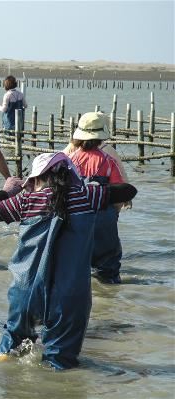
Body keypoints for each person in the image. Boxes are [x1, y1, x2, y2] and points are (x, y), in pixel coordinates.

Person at [0, 152, 137, 369]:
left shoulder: (26, 200)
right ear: (70, 175)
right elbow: (129, 190)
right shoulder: (87, 196)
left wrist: (6, 191)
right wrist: (95, 186)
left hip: (26, 291)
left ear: (35, 178)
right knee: (60, 364)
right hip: (69, 295)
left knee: (12, 347)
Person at [63, 112, 128, 284]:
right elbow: (119, 196)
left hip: (75, 219)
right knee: (108, 270)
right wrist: (112, 214)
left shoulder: (68, 160)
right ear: (101, 138)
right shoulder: (108, 161)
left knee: (76, 269)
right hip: (103, 219)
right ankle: (110, 303)